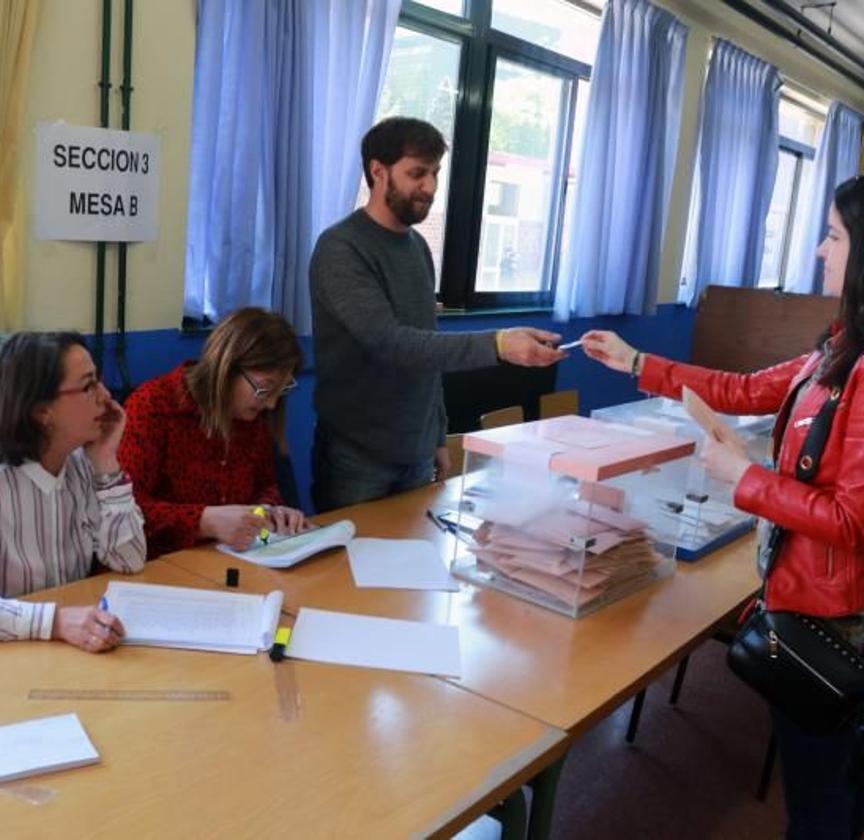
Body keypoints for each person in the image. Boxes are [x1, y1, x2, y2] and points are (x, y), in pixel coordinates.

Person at [582, 175, 864, 839]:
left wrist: (746, 476)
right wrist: (637, 362)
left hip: (836, 624)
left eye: (833, 236)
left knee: (824, 798)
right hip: (800, 596)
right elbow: (743, 388)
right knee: (821, 783)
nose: (820, 252)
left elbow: (852, 521)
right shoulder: (836, 347)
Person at [309, 116, 565, 513]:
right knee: (349, 568)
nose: (429, 187)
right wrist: (497, 344)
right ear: (378, 171)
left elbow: (427, 350)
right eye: (417, 173)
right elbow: (393, 343)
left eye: (434, 173)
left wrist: (438, 435)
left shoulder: (418, 249)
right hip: (357, 456)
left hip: (417, 450)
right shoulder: (341, 250)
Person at [0, 331, 146, 652]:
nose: (105, 395)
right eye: (88, 386)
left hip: (66, 649)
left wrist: (106, 462)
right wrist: (53, 622)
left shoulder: (82, 464)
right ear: (41, 411)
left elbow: (129, 560)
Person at [119, 307, 309, 557]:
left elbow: (265, 485)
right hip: (158, 566)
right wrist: (205, 521)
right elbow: (123, 513)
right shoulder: (152, 407)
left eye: (281, 391)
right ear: (227, 368)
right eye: (264, 390)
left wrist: (270, 512)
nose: (271, 404)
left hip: (233, 560)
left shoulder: (253, 417)